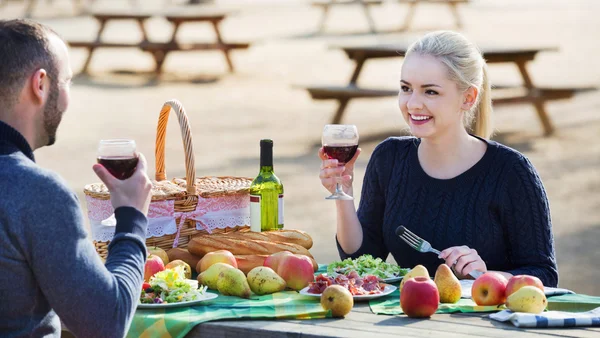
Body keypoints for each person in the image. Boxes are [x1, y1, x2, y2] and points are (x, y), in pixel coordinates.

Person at [319, 31, 558, 287]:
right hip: (405, 320)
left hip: (484, 324)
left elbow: (544, 274)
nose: (413, 104)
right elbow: (360, 259)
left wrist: (489, 277)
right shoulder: (389, 159)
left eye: (430, 92)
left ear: (468, 98)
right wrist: (343, 194)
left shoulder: (511, 172)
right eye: (406, 88)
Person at [0, 19, 152, 337]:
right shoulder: (37, 193)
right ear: (40, 84)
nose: (67, 98)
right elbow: (106, 323)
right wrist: (132, 218)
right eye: (66, 81)